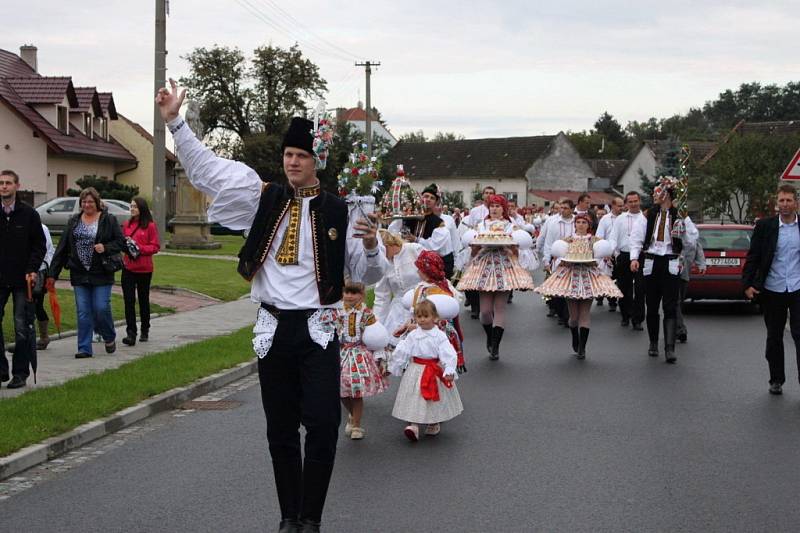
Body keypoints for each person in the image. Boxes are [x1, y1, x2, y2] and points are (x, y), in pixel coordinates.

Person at [157, 79, 385, 533]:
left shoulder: (341, 212)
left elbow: (368, 275)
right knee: (279, 430)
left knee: (321, 425)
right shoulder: (262, 197)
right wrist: (175, 123)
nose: (293, 162)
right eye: (288, 155)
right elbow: (208, 170)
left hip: (319, 328)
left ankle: (312, 517)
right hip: (272, 327)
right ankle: (289, 517)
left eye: (301, 156)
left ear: (315, 161)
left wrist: (375, 247)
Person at [49, 187, 125, 359]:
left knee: (101, 308)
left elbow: (120, 242)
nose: (87, 204)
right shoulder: (74, 221)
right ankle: (84, 347)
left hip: (101, 272)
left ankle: (109, 336)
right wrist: (52, 274)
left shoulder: (108, 220)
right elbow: (62, 248)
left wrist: (105, 247)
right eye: (84, 201)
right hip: (79, 272)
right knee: (83, 311)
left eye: (90, 201)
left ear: (97, 203)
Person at [457, 195, 534, 360]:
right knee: (485, 312)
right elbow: (473, 249)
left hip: (504, 266)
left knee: (499, 308)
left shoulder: (511, 226)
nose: (494, 208)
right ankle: (490, 336)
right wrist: (474, 247)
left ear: (503, 208)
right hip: (484, 265)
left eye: (498, 206)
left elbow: (517, 250)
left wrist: (512, 247)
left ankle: (495, 346)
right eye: (491, 205)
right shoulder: (480, 225)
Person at [534, 213, 621, 359]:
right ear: (575, 225)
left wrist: (606, 259)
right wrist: (555, 261)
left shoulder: (595, 241)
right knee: (574, 317)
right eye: (578, 222)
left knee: (585, 314)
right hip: (571, 278)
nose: (580, 225)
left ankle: (582, 347)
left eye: (584, 222)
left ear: (589, 225)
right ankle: (575, 336)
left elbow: (603, 258)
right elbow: (558, 257)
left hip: (589, 278)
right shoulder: (567, 241)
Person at [629, 179, 697, 364]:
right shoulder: (649, 215)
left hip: (671, 261)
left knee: (670, 305)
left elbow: (692, 240)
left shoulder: (680, 215)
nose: (653, 194)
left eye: (657, 191)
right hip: (651, 260)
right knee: (651, 305)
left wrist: (684, 227)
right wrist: (634, 258)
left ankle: (669, 348)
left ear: (665, 194)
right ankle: (653, 343)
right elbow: (636, 238)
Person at [743, 184, 800, 395]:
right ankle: (776, 379)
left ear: (796, 203)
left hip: (797, 287)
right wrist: (747, 284)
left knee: (799, 334)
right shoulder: (766, 227)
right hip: (772, 288)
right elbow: (754, 257)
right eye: (781, 201)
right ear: (777, 203)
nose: (785, 205)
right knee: (774, 336)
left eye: (789, 200)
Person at [388, 299, 463, 442]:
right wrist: (395, 365)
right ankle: (413, 425)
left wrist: (449, 369)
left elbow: (448, 353)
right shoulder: (413, 335)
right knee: (414, 396)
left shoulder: (439, 335)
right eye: (419, 317)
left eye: (425, 316)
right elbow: (404, 350)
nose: (422, 320)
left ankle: (433, 421)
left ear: (434, 317)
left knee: (432, 397)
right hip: (415, 370)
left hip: (433, 370)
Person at [0, 169, 46, 389]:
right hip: (0, 277)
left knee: (21, 325)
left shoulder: (29, 214)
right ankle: (1, 369)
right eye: (1, 183)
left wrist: (32, 269)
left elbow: (39, 246)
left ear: (17, 186)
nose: (4, 187)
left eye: (8, 183)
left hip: (22, 278)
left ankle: (20, 373)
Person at [337, 282, 389, 440]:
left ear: (362, 295)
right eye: (347, 292)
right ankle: (353, 415)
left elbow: (376, 336)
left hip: (360, 354)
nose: (350, 296)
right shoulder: (338, 311)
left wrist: (380, 356)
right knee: (341, 391)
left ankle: (357, 426)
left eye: (354, 293)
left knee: (356, 391)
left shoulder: (367, 314)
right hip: (341, 353)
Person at [390, 183, 454, 279]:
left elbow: (433, 247)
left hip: (436, 266)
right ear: (420, 198)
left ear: (436, 203)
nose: (428, 199)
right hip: (412, 263)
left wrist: (415, 239)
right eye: (426, 196)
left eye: (432, 198)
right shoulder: (409, 217)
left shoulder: (438, 223)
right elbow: (392, 231)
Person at [373, 230, 423, 350]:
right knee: (396, 347)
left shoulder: (414, 249)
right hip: (398, 310)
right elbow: (382, 296)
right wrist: (375, 324)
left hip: (422, 303)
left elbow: (432, 272)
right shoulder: (384, 264)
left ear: (387, 245)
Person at [121, 197, 161, 346]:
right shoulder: (127, 225)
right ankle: (131, 332)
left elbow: (155, 246)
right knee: (128, 300)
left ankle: (145, 328)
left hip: (144, 269)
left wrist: (139, 248)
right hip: (128, 268)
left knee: (143, 300)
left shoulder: (150, 226)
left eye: (135, 207)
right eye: (131, 206)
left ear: (142, 209)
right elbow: (122, 243)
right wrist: (126, 247)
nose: (132, 209)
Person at [609, 192, 647, 330]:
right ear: (626, 204)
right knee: (624, 288)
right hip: (624, 256)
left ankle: (638, 319)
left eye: (635, 201)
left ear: (640, 201)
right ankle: (625, 315)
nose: (633, 204)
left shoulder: (645, 218)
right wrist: (611, 252)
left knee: (640, 288)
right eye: (630, 201)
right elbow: (613, 237)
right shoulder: (620, 219)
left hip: (641, 256)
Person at [539, 199, 576, 326]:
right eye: (561, 207)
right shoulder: (553, 222)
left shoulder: (577, 222)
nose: (562, 210)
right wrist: (546, 260)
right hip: (556, 259)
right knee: (558, 288)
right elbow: (548, 243)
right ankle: (560, 312)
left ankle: (567, 315)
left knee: (570, 288)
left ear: (572, 209)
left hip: (573, 259)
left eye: (566, 208)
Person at [595, 197, 624, 312]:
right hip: (608, 254)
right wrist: (604, 252)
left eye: (622, 205)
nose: (622, 208)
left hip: (620, 253)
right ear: (613, 206)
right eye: (619, 206)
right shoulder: (605, 219)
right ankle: (610, 300)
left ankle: (618, 299)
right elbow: (599, 236)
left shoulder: (625, 218)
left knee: (620, 278)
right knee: (607, 278)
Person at [676, 235, 706, 343]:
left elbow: (697, 247)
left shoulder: (690, 232)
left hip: (685, 274)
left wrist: (701, 264)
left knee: (679, 302)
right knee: (675, 301)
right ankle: (680, 329)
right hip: (670, 272)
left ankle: (674, 327)